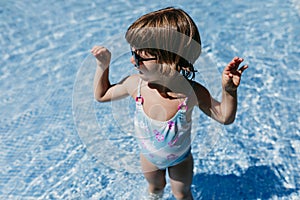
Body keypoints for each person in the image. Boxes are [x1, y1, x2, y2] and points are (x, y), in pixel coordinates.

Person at [91, 7, 248, 200]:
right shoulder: (135, 85)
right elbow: (102, 95)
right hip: (149, 157)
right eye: (133, 53)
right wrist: (103, 66)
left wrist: (229, 91)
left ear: (169, 60)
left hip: (180, 160)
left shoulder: (191, 93)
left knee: (181, 194)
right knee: (155, 188)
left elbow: (224, 117)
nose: (132, 60)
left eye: (140, 56)